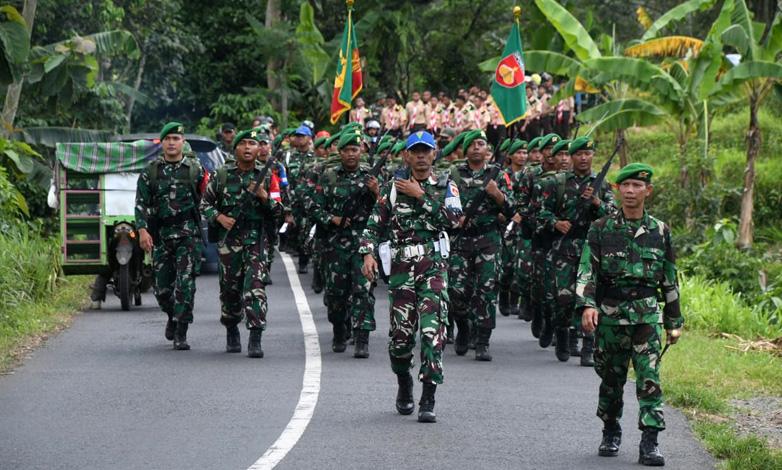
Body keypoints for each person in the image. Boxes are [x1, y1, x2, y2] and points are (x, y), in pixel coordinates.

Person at [577, 163, 683, 466]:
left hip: (647, 316)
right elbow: (588, 270)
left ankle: (650, 441)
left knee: (649, 377)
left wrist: (674, 321)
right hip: (611, 314)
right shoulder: (601, 228)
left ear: (648, 191)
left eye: (637, 186)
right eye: (626, 186)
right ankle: (610, 429)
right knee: (611, 378)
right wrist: (587, 305)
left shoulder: (660, 231)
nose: (631, 191)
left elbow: (669, 277)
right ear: (617, 190)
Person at [360, 130, 462, 423]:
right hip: (402, 270)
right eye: (415, 151)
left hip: (432, 267)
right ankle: (404, 382)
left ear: (434, 154)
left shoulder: (445, 186)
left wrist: (421, 197)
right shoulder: (393, 187)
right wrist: (368, 254)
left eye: (425, 151)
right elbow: (373, 224)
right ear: (406, 155)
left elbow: (454, 220)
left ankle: (428, 396)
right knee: (401, 337)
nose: (420, 156)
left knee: (432, 332)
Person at [200, 129, 284, 357]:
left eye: (252, 143)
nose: (248, 148)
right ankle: (231, 327)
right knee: (230, 291)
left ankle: (255, 336)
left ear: (259, 149)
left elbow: (280, 211)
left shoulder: (268, 176)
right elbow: (204, 204)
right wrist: (220, 218)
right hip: (230, 241)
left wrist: (264, 197)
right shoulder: (221, 175)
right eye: (243, 143)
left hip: (257, 240)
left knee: (255, 289)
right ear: (235, 148)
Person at [135, 122, 206, 350]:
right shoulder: (151, 171)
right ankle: (171, 315)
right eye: (168, 139)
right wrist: (143, 231)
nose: (172, 143)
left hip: (188, 234)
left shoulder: (196, 170)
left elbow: (209, 198)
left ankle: (181, 330)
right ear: (162, 143)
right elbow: (141, 204)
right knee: (161, 289)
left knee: (185, 284)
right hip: (162, 235)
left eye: (176, 138)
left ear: (183, 142)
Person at [448, 130, 514, 361]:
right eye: (472, 144)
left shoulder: (499, 175)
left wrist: (498, 196)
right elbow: (441, 202)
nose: (477, 147)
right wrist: (455, 218)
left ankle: (483, 340)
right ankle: (463, 326)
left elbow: (514, 210)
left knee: (486, 292)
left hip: (488, 241)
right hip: (460, 240)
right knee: (457, 291)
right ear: (465, 150)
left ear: (487, 149)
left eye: (481, 143)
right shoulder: (452, 174)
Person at [312, 131, 379, 357]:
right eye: (347, 150)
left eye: (355, 149)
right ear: (339, 152)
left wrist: (376, 191)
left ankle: (362, 338)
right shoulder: (328, 176)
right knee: (336, 295)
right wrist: (333, 219)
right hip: (335, 245)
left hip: (363, 244)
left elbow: (384, 209)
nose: (351, 154)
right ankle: (339, 329)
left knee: (363, 290)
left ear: (361, 151)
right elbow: (315, 207)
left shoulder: (371, 176)